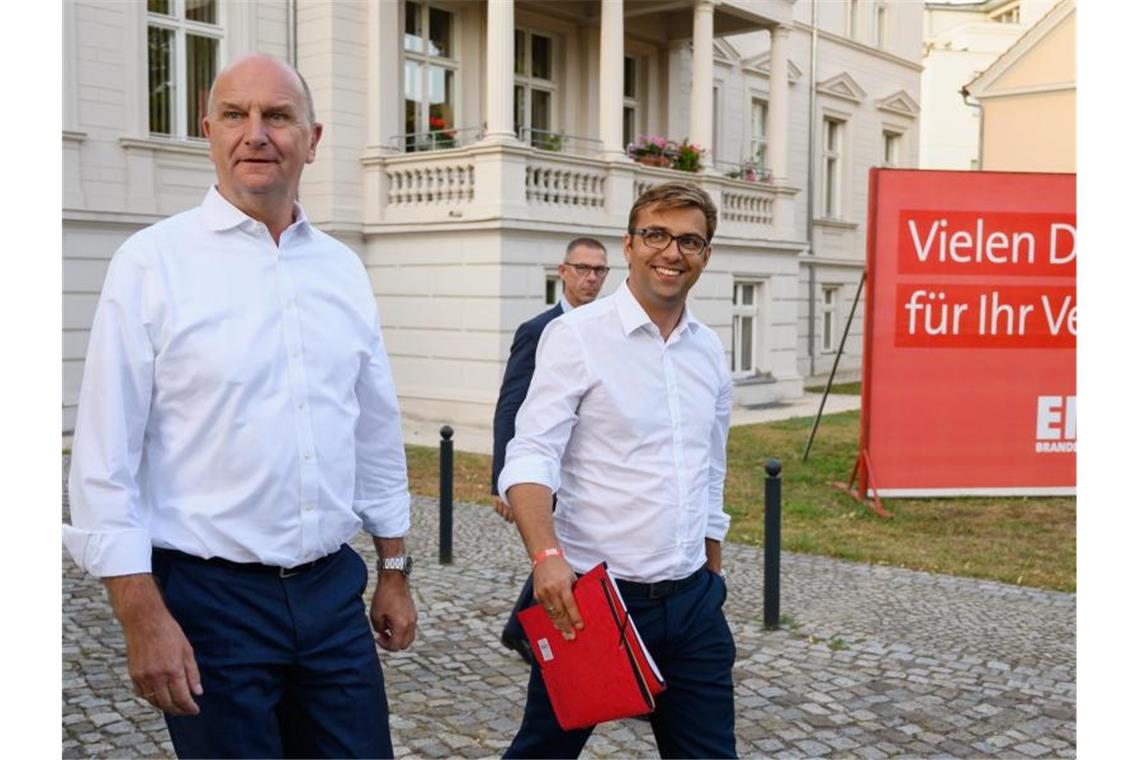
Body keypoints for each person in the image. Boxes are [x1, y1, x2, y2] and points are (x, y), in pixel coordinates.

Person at [62, 54, 416, 759]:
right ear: (209, 132)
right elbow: (105, 458)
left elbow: (373, 427)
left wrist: (395, 569)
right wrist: (140, 615)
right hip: (209, 604)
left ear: (312, 140)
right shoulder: (151, 263)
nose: (256, 133)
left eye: (277, 116)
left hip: (329, 595)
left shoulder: (342, 269)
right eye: (236, 115)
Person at [498, 181, 737, 758]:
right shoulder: (575, 337)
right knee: (543, 752)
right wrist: (546, 557)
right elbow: (530, 453)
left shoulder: (708, 351)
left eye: (690, 241)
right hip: (593, 602)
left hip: (691, 605)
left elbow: (711, 468)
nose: (671, 252)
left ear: (706, 255)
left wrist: (710, 567)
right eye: (656, 234)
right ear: (628, 246)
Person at [491, 238, 610, 662]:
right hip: (544, 469)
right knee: (559, 550)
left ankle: (522, 629)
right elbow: (510, 408)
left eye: (599, 271)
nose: (590, 278)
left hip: (590, 467)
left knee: (572, 550)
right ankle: (534, 633)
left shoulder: (607, 328)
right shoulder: (537, 330)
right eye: (582, 268)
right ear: (563, 272)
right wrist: (503, 482)